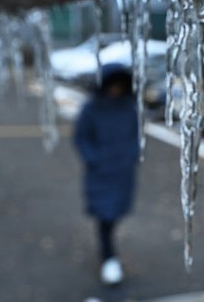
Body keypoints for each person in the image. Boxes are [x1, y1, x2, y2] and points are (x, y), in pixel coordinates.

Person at [74, 63, 139, 285]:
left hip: (122, 173)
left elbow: (136, 135)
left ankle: (109, 252)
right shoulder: (92, 108)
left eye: (119, 86)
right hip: (100, 173)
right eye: (112, 85)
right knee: (105, 217)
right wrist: (95, 160)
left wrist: (132, 156)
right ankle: (108, 256)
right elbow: (81, 137)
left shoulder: (129, 108)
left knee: (115, 214)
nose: (115, 90)